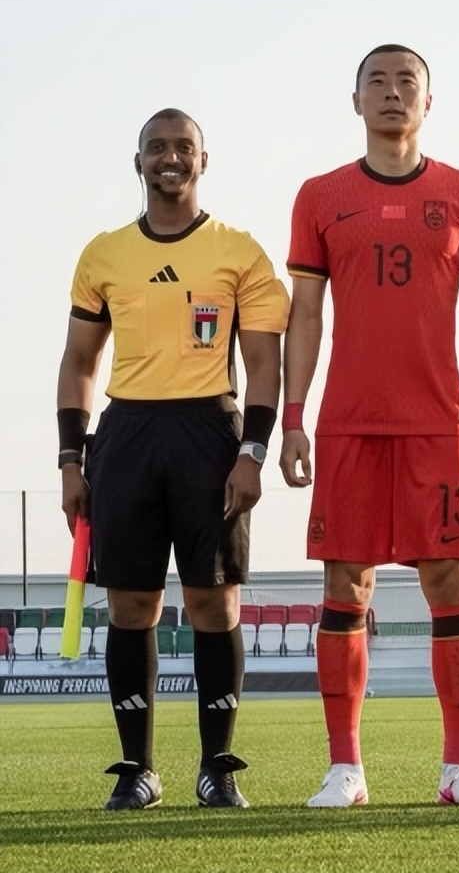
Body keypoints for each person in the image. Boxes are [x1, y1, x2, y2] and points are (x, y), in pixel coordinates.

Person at [280, 44, 459, 808]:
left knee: (449, 580)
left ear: (428, 101)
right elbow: (306, 316)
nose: (392, 92)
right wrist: (292, 419)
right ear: (355, 101)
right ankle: (345, 769)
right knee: (344, 582)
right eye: (376, 82)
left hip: (438, 422)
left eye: (406, 81)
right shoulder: (319, 196)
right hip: (348, 423)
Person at [57, 109, 288, 810]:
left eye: (184, 147)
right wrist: (70, 460)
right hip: (126, 434)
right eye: (156, 147)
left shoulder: (239, 251)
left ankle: (218, 768)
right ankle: (138, 770)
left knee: (214, 601)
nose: (170, 158)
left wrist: (252, 452)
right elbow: (79, 363)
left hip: (209, 432)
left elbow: (264, 364)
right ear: (138, 162)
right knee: (132, 603)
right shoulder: (103, 254)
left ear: (203, 161)